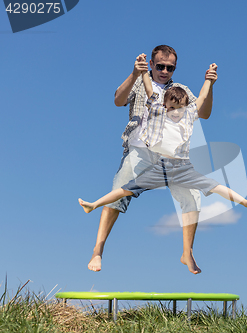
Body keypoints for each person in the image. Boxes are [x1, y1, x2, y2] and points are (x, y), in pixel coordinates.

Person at [88, 45, 216, 275]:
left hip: (171, 154)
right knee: (118, 192)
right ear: (152, 65)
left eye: (170, 67)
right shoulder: (140, 80)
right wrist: (135, 73)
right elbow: (118, 100)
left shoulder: (180, 89)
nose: (165, 71)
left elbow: (203, 113)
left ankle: (187, 253)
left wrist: (210, 84)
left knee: (192, 198)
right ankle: (98, 250)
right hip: (140, 149)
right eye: (160, 66)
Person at [79, 58, 247, 216]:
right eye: (171, 108)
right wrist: (142, 72)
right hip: (160, 167)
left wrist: (209, 80)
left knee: (213, 185)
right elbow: (149, 89)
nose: (174, 112)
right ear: (165, 107)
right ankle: (93, 205)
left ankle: (245, 202)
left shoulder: (188, 114)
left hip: (182, 168)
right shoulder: (159, 112)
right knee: (126, 189)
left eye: (178, 108)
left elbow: (202, 97)